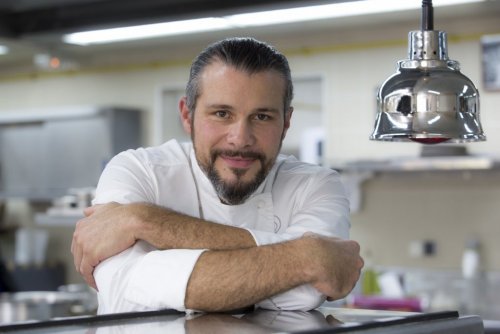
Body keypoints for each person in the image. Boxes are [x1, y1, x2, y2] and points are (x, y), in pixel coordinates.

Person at [71, 37, 363, 314]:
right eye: (222, 113)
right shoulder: (138, 171)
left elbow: (310, 291)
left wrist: (145, 221)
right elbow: (127, 289)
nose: (240, 139)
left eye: (262, 117)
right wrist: (307, 257)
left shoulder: (316, 185)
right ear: (187, 115)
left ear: (286, 123)